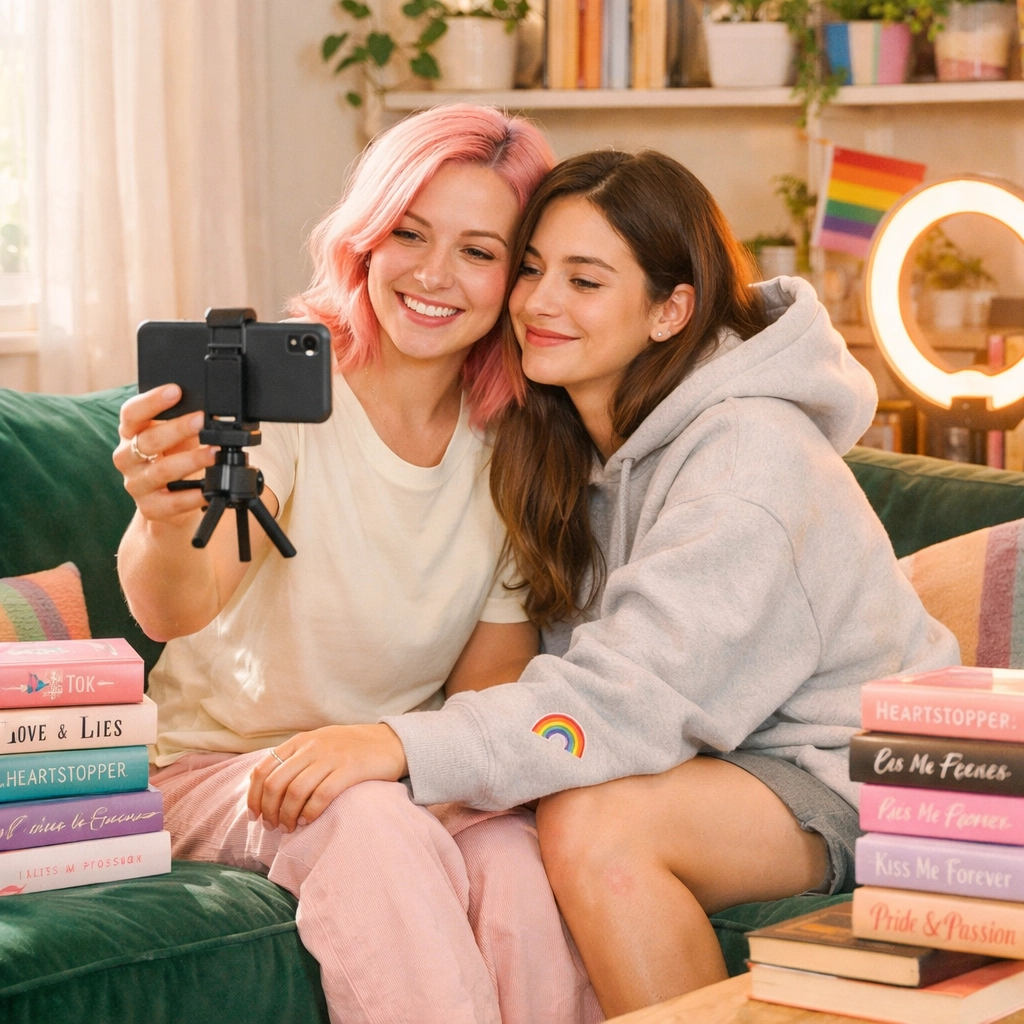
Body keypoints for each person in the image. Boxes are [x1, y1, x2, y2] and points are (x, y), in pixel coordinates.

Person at [249, 149, 959, 1019]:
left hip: (862, 770)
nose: (539, 302)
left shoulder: (747, 453)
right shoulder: (560, 442)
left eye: (585, 282)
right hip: (720, 761)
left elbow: (632, 699)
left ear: (671, 310)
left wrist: (399, 745)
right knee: (529, 823)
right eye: (534, 269)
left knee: (596, 824)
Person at [113, 105, 601, 1024]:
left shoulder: (513, 451)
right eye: (408, 234)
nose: (432, 274)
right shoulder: (290, 405)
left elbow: (483, 696)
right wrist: (162, 516)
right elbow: (174, 610)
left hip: (392, 769)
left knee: (509, 852)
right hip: (218, 770)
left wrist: (400, 764)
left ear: (518, 277)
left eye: (479, 251)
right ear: (365, 243)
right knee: (370, 827)